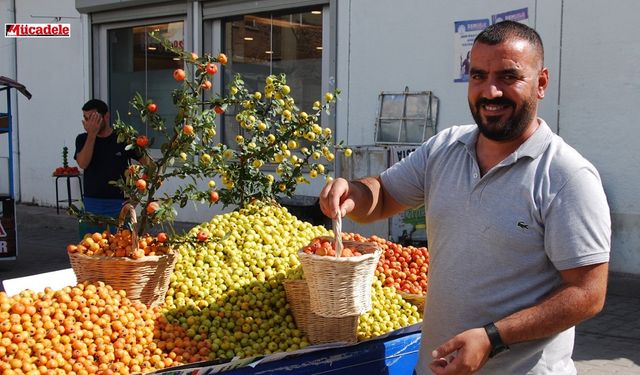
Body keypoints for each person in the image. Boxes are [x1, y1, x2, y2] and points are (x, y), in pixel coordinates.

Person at [319, 20, 610, 375]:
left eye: (508, 77)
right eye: (478, 76)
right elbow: (381, 198)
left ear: (542, 83)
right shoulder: (445, 148)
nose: (490, 91)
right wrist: (353, 192)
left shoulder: (567, 176)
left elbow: (587, 294)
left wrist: (493, 337)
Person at [74, 99, 141, 237]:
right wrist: (92, 135)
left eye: (94, 118)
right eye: (86, 118)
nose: (90, 122)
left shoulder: (123, 139)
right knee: (90, 249)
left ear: (106, 116)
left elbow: (150, 165)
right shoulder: (82, 139)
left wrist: (138, 195)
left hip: (119, 205)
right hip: (92, 204)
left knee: (121, 249)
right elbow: (83, 163)